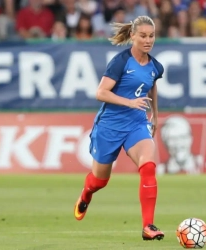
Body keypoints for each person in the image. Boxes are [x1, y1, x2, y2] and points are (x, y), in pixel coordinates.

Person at [73, 15, 165, 241]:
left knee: (148, 166)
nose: (148, 40)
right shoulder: (120, 62)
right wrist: (130, 102)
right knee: (100, 180)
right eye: (143, 35)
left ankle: (148, 226)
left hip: (136, 123)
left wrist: (155, 115)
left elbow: (151, 86)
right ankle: (86, 193)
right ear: (132, 36)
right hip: (110, 126)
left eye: (151, 36)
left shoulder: (155, 66)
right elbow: (100, 93)